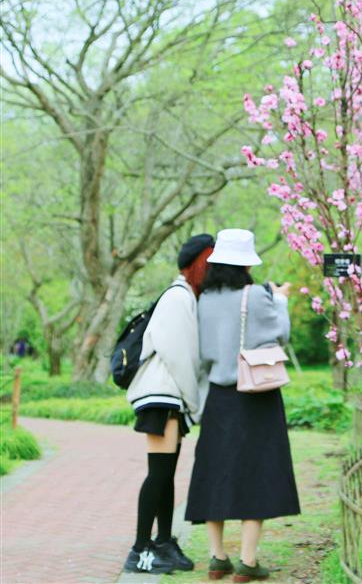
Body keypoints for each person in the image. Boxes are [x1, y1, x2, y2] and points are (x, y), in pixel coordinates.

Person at [185, 228, 299, 582]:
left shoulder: (203, 299)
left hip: (219, 397)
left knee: (214, 473)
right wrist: (280, 299)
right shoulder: (257, 296)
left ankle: (217, 557)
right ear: (246, 263)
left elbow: (203, 352)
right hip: (257, 396)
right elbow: (282, 333)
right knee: (258, 473)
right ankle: (248, 562)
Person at [124, 233, 214, 574]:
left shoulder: (186, 296)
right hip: (160, 398)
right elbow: (180, 357)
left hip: (168, 398)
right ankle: (140, 550)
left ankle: (163, 542)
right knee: (158, 474)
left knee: (166, 474)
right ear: (197, 264)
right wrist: (195, 403)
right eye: (209, 264)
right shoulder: (178, 298)